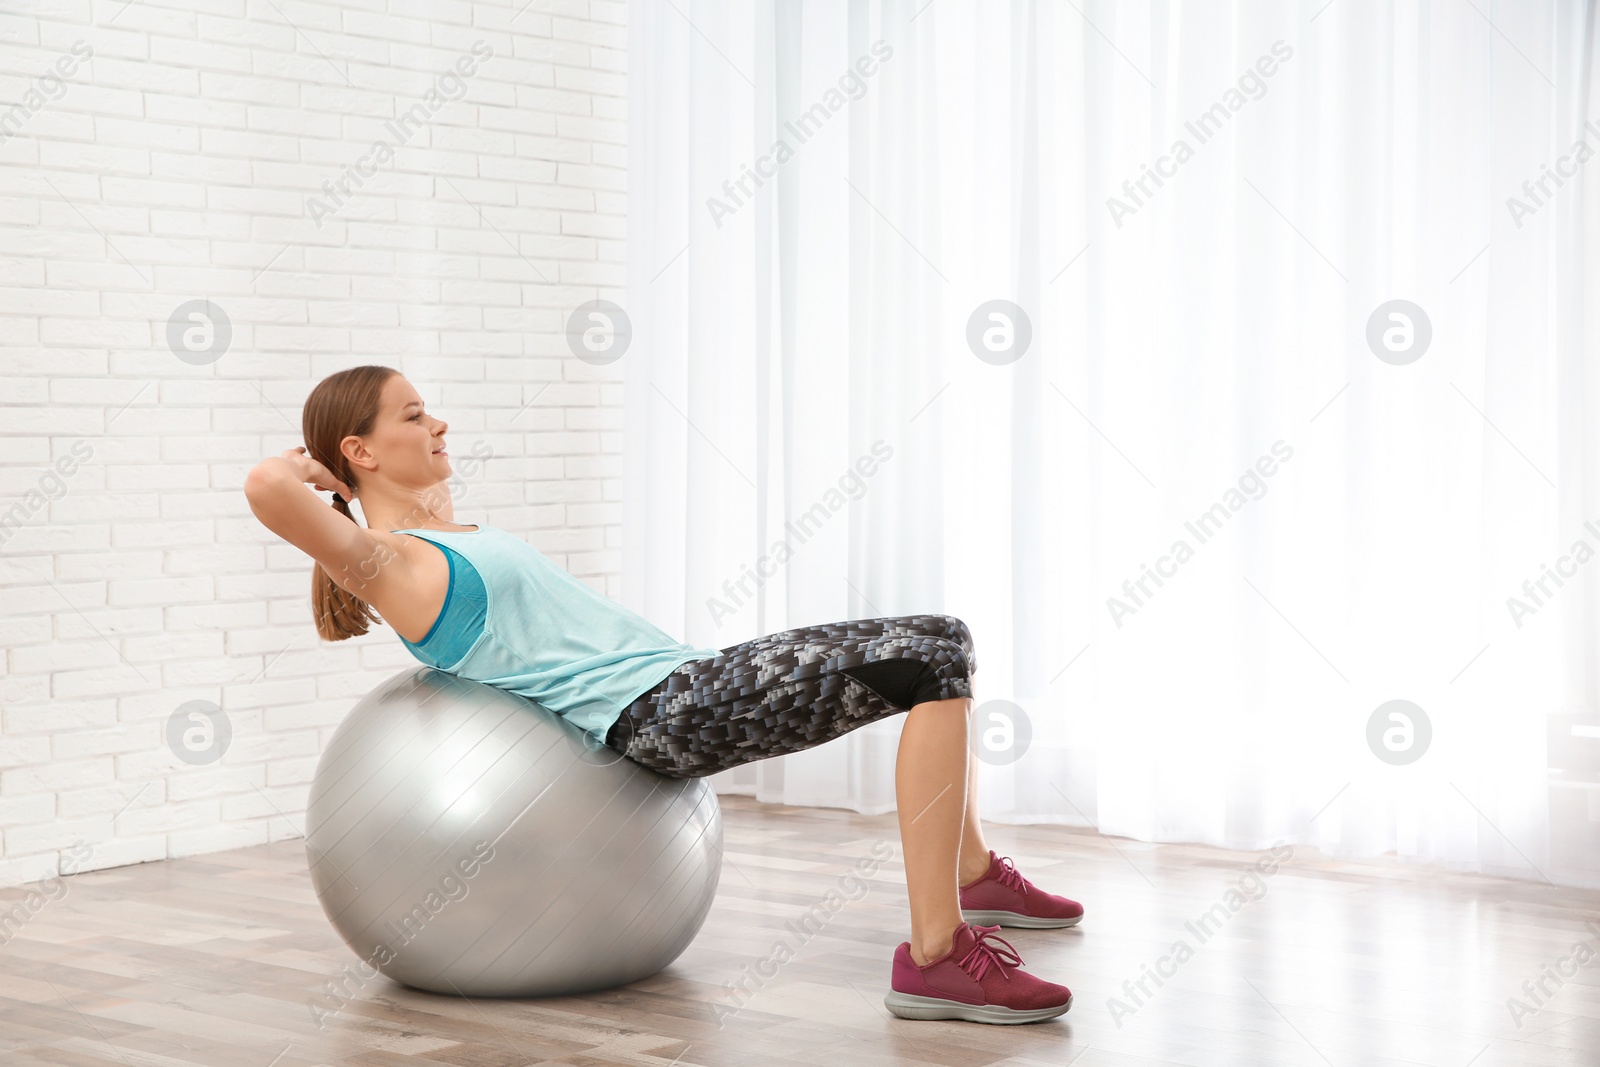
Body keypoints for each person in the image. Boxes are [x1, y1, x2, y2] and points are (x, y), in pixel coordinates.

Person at [243, 364, 1081, 1024]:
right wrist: (311, 469)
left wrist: (379, 479)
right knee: (927, 657)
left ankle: (971, 872)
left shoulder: (438, 536)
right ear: (358, 449)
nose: (439, 422)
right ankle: (937, 953)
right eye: (414, 414)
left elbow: (412, 506)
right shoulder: (396, 566)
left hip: (687, 679)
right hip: (663, 713)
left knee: (944, 636)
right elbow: (264, 488)